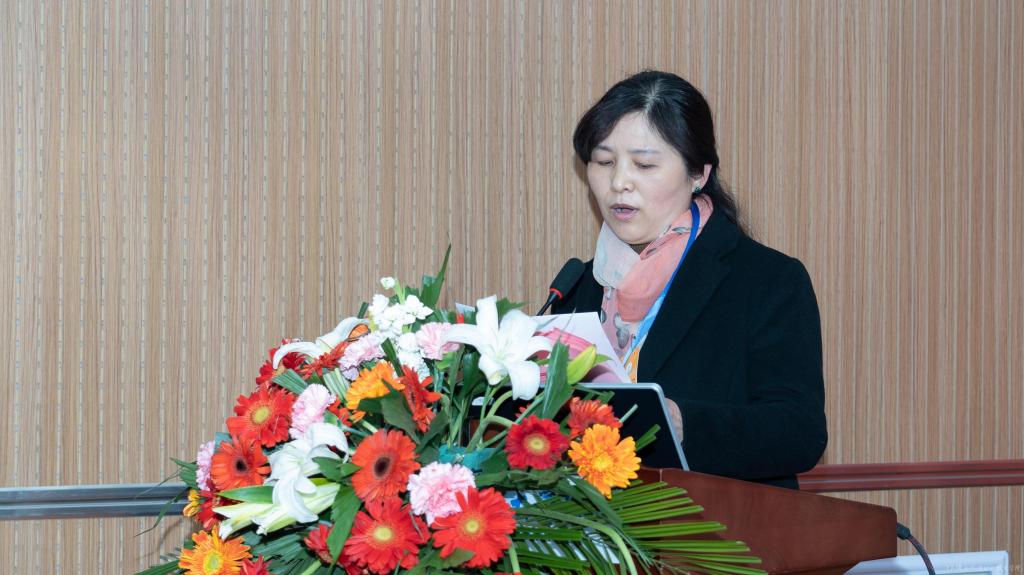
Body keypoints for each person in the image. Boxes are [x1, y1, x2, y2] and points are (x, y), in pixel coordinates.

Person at [552, 70, 827, 489]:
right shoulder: (579, 284)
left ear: (698, 173)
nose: (619, 182)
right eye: (604, 162)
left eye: (644, 164)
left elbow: (799, 431)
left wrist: (684, 423)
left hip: (717, 523)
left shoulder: (766, 280)